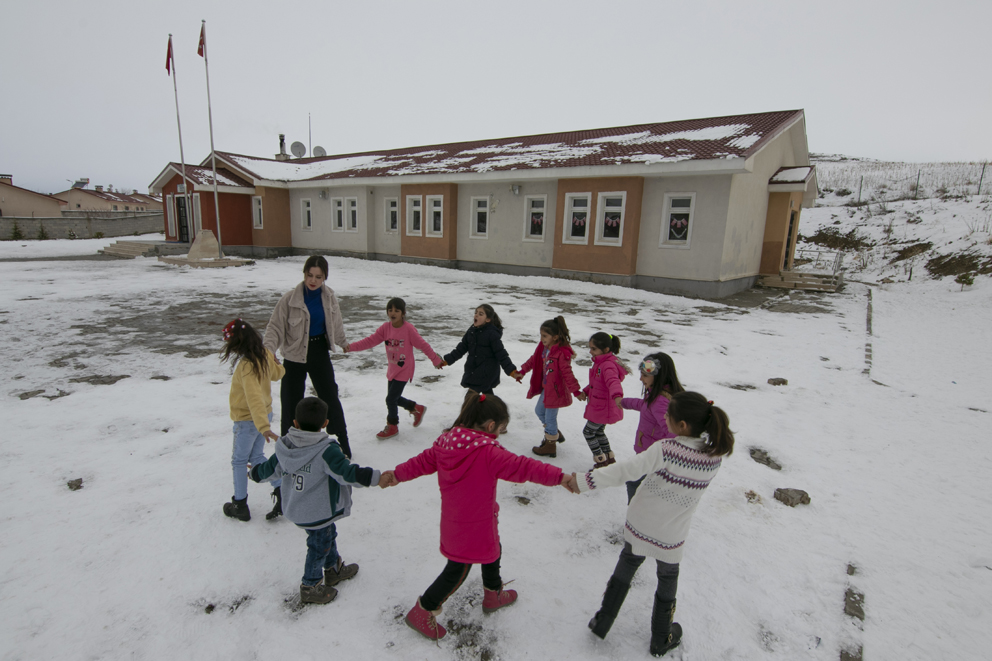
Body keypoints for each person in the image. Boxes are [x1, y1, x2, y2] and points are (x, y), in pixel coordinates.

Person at [380, 392, 576, 641]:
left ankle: (493, 594)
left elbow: (420, 462)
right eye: (500, 429)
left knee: (493, 549)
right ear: (491, 425)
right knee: (457, 569)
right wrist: (561, 477)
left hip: (461, 520)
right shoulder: (487, 451)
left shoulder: (445, 442)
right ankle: (423, 609)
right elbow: (524, 467)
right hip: (473, 525)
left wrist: (397, 474)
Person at [570, 392, 734, 657]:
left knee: (628, 562)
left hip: (641, 522)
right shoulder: (714, 458)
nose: (664, 419)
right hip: (672, 532)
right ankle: (661, 637)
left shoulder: (667, 449)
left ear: (681, 426)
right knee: (668, 577)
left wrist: (584, 481)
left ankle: (603, 621)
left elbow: (625, 471)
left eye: (668, 416)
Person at [250, 397, 388, 605]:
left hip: (297, 508)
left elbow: (269, 470)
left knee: (327, 535)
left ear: (295, 423)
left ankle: (333, 570)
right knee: (319, 545)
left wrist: (254, 474)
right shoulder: (326, 450)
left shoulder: (285, 447)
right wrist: (376, 478)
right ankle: (310, 586)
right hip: (318, 511)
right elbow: (347, 473)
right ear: (325, 424)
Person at [264, 255, 351, 459]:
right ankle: (288, 446)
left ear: (324, 278)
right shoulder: (289, 299)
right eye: (309, 275)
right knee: (290, 401)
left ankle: (342, 442)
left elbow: (336, 323)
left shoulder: (329, 298)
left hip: (319, 351)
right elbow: (275, 327)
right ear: (304, 274)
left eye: (318, 277)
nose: (313, 280)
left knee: (330, 396)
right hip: (294, 355)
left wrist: (343, 341)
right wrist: (268, 350)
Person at [344, 297, 444, 439]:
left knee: (390, 399)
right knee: (394, 399)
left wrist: (436, 360)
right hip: (392, 370)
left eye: (396, 310)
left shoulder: (408, 330)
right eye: (390, 310)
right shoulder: (385, 328)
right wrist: (351, 347)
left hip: (404, 369)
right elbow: (370, 341)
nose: (393, 313)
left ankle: (392, 426)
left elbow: (423, 345)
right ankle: (417, 408)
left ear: (403, 313)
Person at [220, 318, 285, 522]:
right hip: (262, 416)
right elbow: (277, 374)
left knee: (239, 460)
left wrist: (263, 428)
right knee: (256, 457)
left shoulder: (246, 365)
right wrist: (278, 364)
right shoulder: (264, 354)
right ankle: (282, 491)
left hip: (249, 420)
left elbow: (254, 398)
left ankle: (240, 504)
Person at [621, 352, 685, 502]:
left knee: (633, 482)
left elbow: (673, 431)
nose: (640, 378)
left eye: (644, 375)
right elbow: (646, 407)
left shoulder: (659, 400)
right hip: (653, 453)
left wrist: (665, 455)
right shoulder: (662, 394)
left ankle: (635, 518)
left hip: (652, 455)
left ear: (658, 375)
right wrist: (624, 402)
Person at [519, 316, 581, 458]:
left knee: (550, 417)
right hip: (546, 388)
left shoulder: (561, 353)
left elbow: (567, 373)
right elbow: (533, 360)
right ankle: (553, 433)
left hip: (556, 391)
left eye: (545, 336)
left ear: (555, 337)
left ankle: (550, 446)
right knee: (539, 411)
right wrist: (522, 371)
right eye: (541, 335)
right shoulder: (544, 348)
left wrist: (576, 391)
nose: (542, 339)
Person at [442, 304, 521, 396]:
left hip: (487, 371)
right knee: (487, 397)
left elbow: (501, 354)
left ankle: (469, 410)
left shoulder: (492, 334)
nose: (476, 315)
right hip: (474, 369)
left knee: (470, 397)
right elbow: (461, 348)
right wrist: (447, 360)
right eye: (476, 313)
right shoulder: (471, 331)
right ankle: (494, 409)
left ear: (488, 320)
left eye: (480, 314)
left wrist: (511, 371)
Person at [577, 332, 628, 468]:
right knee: (598, 431)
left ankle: (600, 460)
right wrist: (586, 391)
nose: (590, 351)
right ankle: (609, 458)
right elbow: (597, 383)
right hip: (601, 406)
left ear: (605, 350)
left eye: (594, 349)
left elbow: (613, 382)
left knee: (588, 432)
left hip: (602, 407)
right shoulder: (600, 363)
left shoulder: (607, 365)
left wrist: (618, 396)